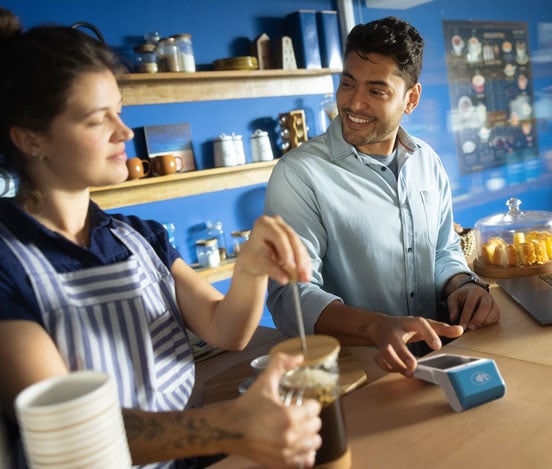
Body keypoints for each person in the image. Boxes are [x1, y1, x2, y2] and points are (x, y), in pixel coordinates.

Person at [0, 10, 321, 469]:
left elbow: (226, 329)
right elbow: (70, 429)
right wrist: (231, 426)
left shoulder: (138, 237)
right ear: (30, 138)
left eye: (120, 111)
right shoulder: (8, 262)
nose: (125, 133)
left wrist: (249, 266)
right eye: (97, 120)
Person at [264, 17, 500, 377]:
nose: (353, 103)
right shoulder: (299, 174)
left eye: (376, 91)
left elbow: (442, 250)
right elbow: (289, 298)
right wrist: (374, 326)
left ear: (412, 99)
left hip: (442, 362)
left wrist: (464, 285)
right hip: (358, 377)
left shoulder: (427, 161)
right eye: (347, 84)